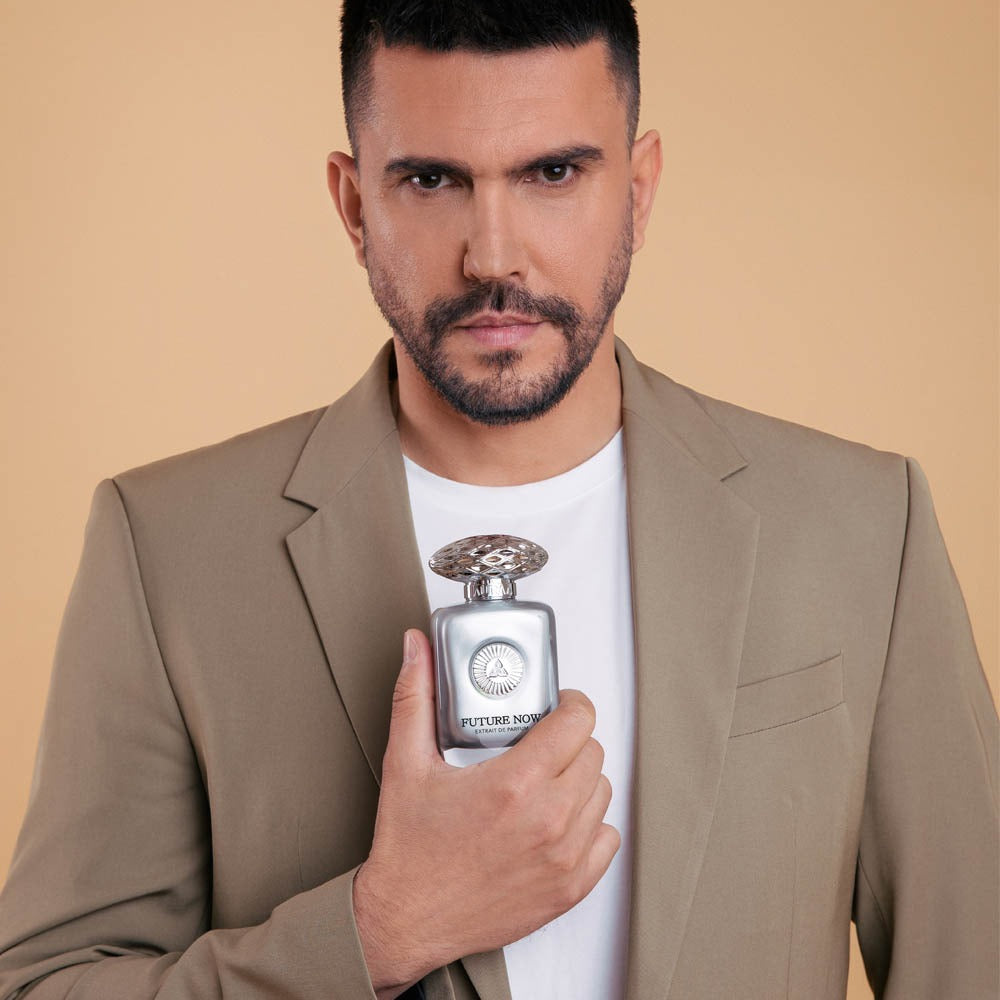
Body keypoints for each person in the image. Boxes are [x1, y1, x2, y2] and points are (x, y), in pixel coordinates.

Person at [0, 1, 995, 998]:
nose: (493, 257)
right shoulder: (167, 546)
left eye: (552, 173)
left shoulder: (864, 527)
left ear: (638, 192)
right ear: (353, 205)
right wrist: (378, 930)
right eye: (432, 179)